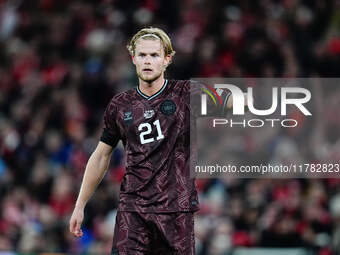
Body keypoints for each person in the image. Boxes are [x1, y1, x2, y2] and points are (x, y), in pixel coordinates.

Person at [69, 27, 233, 255]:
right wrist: (80, 205)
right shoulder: (120, 105)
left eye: (154, 55)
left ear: (167, 59)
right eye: (143, 55)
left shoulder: (186, 93)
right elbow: (101, 156)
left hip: (176, 212)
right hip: (133, 211)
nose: (148, 61)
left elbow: (229, 100)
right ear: (134, 58)